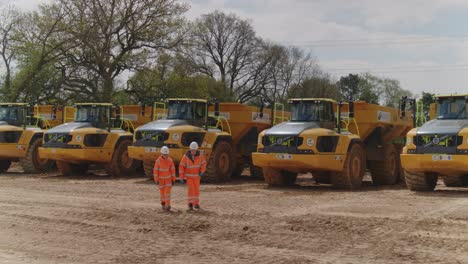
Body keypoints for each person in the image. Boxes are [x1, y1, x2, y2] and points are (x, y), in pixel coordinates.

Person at [179, 141, 207, 210]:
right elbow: (181, 167)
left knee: (196, 190)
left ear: (196, 149)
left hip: (197, 177)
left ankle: (196, 203)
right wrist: (181, 177)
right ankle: (190, 203)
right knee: (191, 190)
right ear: (190, 149)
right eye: (192, 150)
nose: (193, 151)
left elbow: (204, 163)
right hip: (189, 177)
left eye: (194, 150)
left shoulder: (200, 156)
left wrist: (202, 171)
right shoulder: (185, 157)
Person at [153, 146, 176, 211]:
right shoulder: (158, 161)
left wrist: (173, 179)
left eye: (166, 154)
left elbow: (173, 170)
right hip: (161, 180)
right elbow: (155, 171)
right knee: (162, 193)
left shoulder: (170, 160)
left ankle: (167, 205)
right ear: (161, 154)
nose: (165, 156)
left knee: (167, 192)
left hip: (168, 180)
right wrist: (156, 179)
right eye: (164, 154)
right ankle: (163, 203)